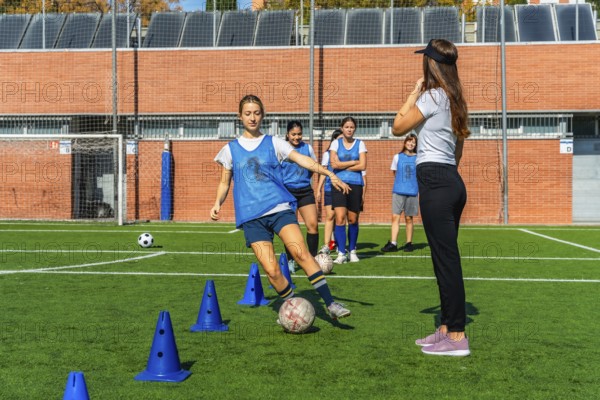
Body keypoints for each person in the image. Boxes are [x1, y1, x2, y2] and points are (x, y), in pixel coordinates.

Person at [210, 95, 351, 320]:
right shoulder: (230, 149)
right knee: (273, 271)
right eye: (247, 113)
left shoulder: (274, 142)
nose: (252, 117)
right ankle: (293, 306)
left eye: (256, 113)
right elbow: (225, 181)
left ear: (262, 115)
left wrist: (328, 173)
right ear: (240, 116)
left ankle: (331, 304)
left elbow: (301, 159)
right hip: (251, 216)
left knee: (300, 252)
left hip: (279, 208)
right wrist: (218, 202)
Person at [392, 39, 471, 356]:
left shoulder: (432, 96)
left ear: (432, 64)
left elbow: (398, 126)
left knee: (447, 263)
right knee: (442, 262)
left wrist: (413, 93)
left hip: (436, 183)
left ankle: (456, 337)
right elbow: (459, 149)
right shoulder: (455, 99)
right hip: (451, 180)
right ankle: (445, 327)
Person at [281, 121, 319, 272]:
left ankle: (313, 259)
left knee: (313, 226)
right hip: (287, 193)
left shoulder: (307, 148)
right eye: (293, 134)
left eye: (299, 134)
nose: (297, 137)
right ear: (287, 134)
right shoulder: (282, 149)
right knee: (291, 229)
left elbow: (313, 166)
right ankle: (291, 260)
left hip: (305, 191)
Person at [329, 117, 367, 264]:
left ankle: (352, 251)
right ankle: (341, 253)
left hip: (356, 184)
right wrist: (353, 162)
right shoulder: (335, 143)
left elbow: (363, 166)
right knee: (339, 219)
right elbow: (334, 164)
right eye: (346, 127)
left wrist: (342, 164)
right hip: (338, 184)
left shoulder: (360, 144)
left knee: (353, 219)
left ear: (354, 129)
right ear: (342, 128)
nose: (349, 129)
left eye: (352, 127)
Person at [381, 133, 418, 253]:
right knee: (395, 217)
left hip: (412, 192)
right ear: (405, 142)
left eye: (413, 142)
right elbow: (395, 173)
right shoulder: (397, 157)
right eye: (409, 141)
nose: (411, 143)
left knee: (409, 218)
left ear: (416, 144)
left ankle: (408, 243)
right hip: (398, 191)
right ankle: (393, 243)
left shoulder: (418, 158)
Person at [315, 129, 342, 254]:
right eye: (338, 138)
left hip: (342, 188)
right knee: (330, 216)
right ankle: (327, 244)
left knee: (340, 217)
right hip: (329, 188)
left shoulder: (346, 154)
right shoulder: (327, 154)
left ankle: (337, 243)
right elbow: (323, 173)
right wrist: (319, 189)